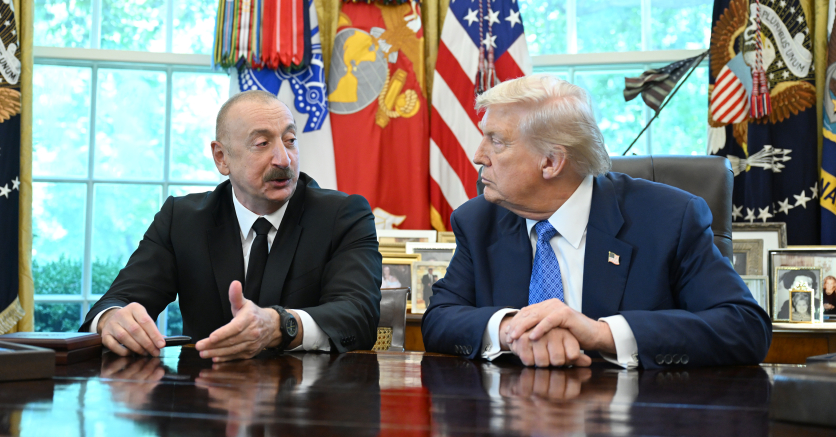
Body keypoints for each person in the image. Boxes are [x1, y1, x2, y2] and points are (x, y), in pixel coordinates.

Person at [421, 75, 772, 369]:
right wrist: (512, 328)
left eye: (495, 141)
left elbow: (744, 327)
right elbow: (439, 319)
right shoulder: (478, 220)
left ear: (551, 162)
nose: (478, 155)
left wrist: (601, 334)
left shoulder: (669, 219)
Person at [81, 90, 382, 360]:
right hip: (205, 402)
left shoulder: (343, 215)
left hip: (307, 403)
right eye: (262, 143)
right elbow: (115, 302)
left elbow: (359, 316)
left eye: (290, 141)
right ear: (222, 158)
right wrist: (113, 319)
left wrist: (280, 325)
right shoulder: (182, 219)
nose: (283, 159)